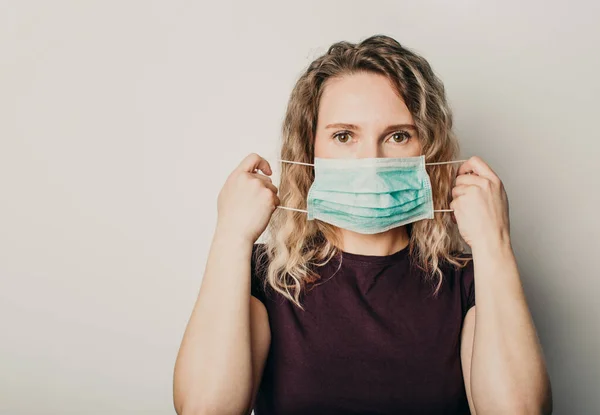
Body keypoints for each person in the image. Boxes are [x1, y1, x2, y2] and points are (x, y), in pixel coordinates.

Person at [173, 35, 552, 415]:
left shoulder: (468, 282)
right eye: (344, 136)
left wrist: (494, 244)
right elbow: (205, 409)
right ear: (309, 151)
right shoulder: (263, 276)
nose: (370, 161)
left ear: (428, 150)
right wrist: (230, 236)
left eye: (398, 136)